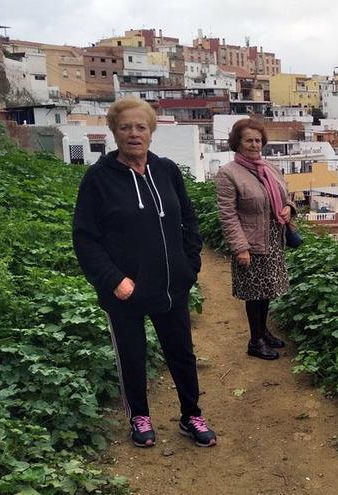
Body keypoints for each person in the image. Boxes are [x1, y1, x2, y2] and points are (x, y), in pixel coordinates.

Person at [72, 96, 216, 448]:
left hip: (171, 287)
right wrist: (113, 280)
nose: (133, 134)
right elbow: (85, 238)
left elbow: (189, 222)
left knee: (181, 353)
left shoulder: (166, 171)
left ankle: (191, 414)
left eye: (140, 127)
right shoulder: (98, 179)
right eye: (125, 127)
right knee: (132, 356)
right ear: (114, 132)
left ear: (151, 132)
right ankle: (139, 416)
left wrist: (189, 265)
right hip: (126, 290)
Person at [215, 118, 294, 360]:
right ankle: (255, 341)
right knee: (254, 292)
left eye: (258, 140)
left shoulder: (269, 167)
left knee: (267, 288)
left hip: (272, 237)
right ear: (237, 143)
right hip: (250, 241)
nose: (254, 145)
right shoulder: (228, 174)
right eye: (249, 140)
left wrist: (289, 207)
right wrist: (240, 247)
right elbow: (227, 214)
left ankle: (263, 331)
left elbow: (286, 194)